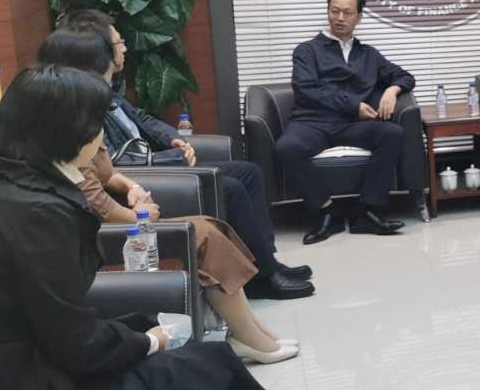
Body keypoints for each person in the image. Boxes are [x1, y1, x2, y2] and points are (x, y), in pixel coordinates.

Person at [0, 65, 367, 390]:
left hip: (36, 363)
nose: (100, 139)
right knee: (202, 363)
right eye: (94, 126)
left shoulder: (25, 186)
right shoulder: (37, 214)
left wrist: (143, 334)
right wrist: (145, 343)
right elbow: (75, 344)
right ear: (63, 130)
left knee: (182, 340)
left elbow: (52, 314)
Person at [37, 30, 300, 365]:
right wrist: (141, 214)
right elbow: (96, 202)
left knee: (210, 225)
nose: (123, 49)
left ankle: (252, 329)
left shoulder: (86, 110)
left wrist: (130, 187)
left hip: (123, 217)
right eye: (116, 45)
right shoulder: (71, 126)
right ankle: (248, 334)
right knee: (205, 233)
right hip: (112, 236)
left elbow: (105, 171)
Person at [55, 11, 313, 300]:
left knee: (248, 172)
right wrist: (164, 165)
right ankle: (261, 278)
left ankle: (267, 262)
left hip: (147, 167)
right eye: (119, 43)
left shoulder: (109, 90)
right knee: (231, 188)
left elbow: (142, 119)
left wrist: (174, 139)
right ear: (100, 53)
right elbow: (112, 165)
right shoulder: (84, 104)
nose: (125, 48)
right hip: (143, 175)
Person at [276, 0, 415, 245]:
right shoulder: (306, 50)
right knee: (287, 148)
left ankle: (367, 212)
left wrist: (392, 90)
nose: (339, 18)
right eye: (334, 11)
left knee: (392, 133)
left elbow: (405, 76)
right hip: (312, 122)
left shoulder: (369, 55)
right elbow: (307, 90)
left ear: (358, 17)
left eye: (347, 13)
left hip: (351, 125)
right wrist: (354, 106)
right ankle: (327, 211)